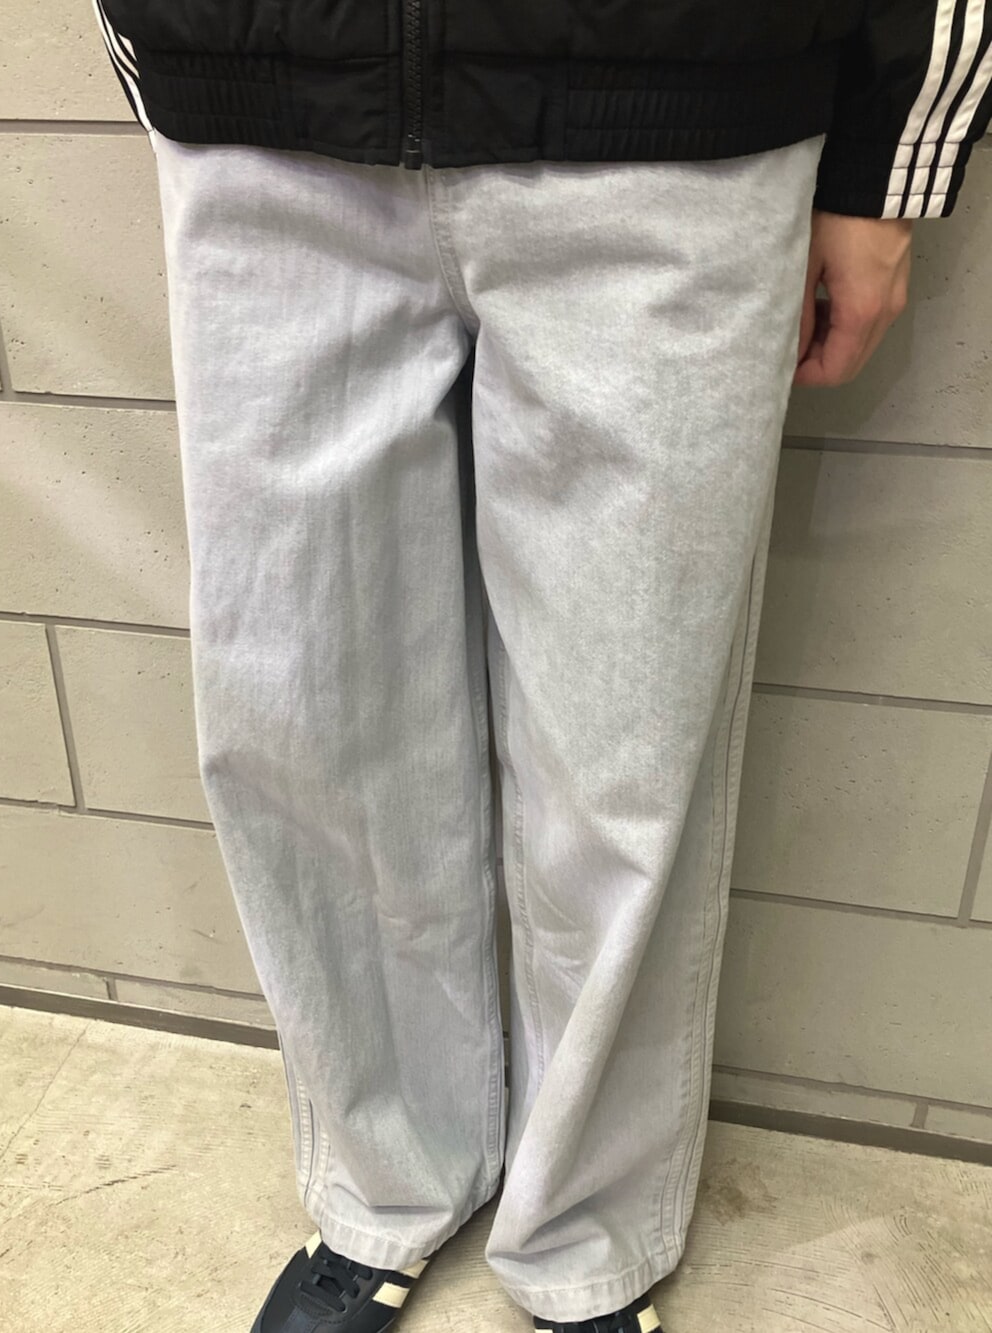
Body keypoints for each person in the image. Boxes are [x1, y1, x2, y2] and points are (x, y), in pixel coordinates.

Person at [92, 4, 992, 1332]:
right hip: (267, 120)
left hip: (676, 122)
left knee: (622, 753)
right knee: (303, 720)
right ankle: (386, 1183)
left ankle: (589, 1234)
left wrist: (887, 159)